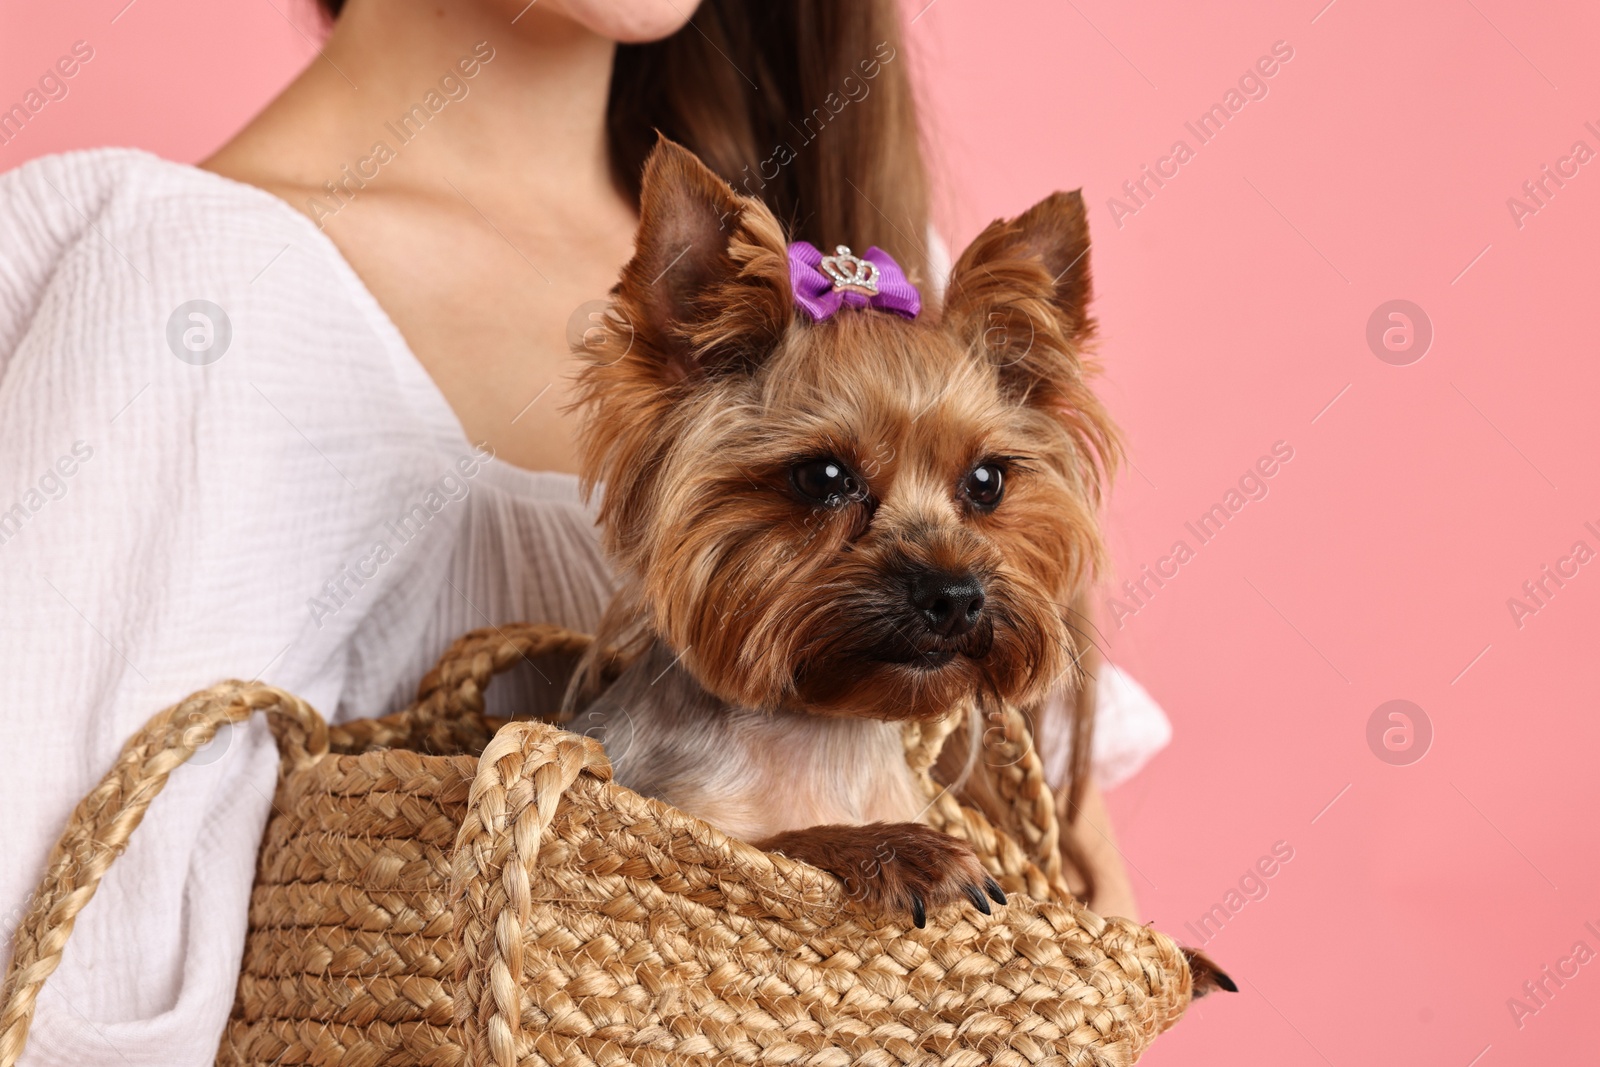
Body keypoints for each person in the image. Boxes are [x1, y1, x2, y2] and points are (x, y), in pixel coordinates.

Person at [0, 1, 1169, 1062]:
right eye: (819, 480)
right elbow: (60, 977)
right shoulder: (179, 287)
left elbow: (1073, 955)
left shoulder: (878, 303)